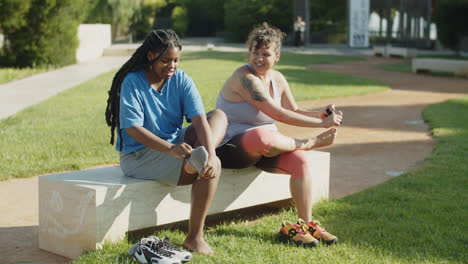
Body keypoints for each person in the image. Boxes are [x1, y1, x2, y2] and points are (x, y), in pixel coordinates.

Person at [215, 23, 343, 247]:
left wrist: (320, 114)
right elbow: (277, 113)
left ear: (277, 57)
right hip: (231, 147)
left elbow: (292, 109)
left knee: (300, 161)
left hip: (267, 146)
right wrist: (321, 127)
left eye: (266, 54)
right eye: (255, 52)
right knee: (264, 138)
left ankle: (305, 224)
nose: (259, 58)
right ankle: (309, 144)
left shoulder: (278, 78)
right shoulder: (244, 77)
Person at [105, 29, 227, 257]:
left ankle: (197, 162)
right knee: (209, 163)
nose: (172, 65)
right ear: (150, 56)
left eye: (176, 60)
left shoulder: (180, 79)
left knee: (217, 117)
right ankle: (195, 235)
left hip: (175, 144)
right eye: (166, 60)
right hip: (139, 156)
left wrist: (210, 153)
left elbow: (200, 120)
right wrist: (171, 148)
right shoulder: (132, 82)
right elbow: (132, 128)